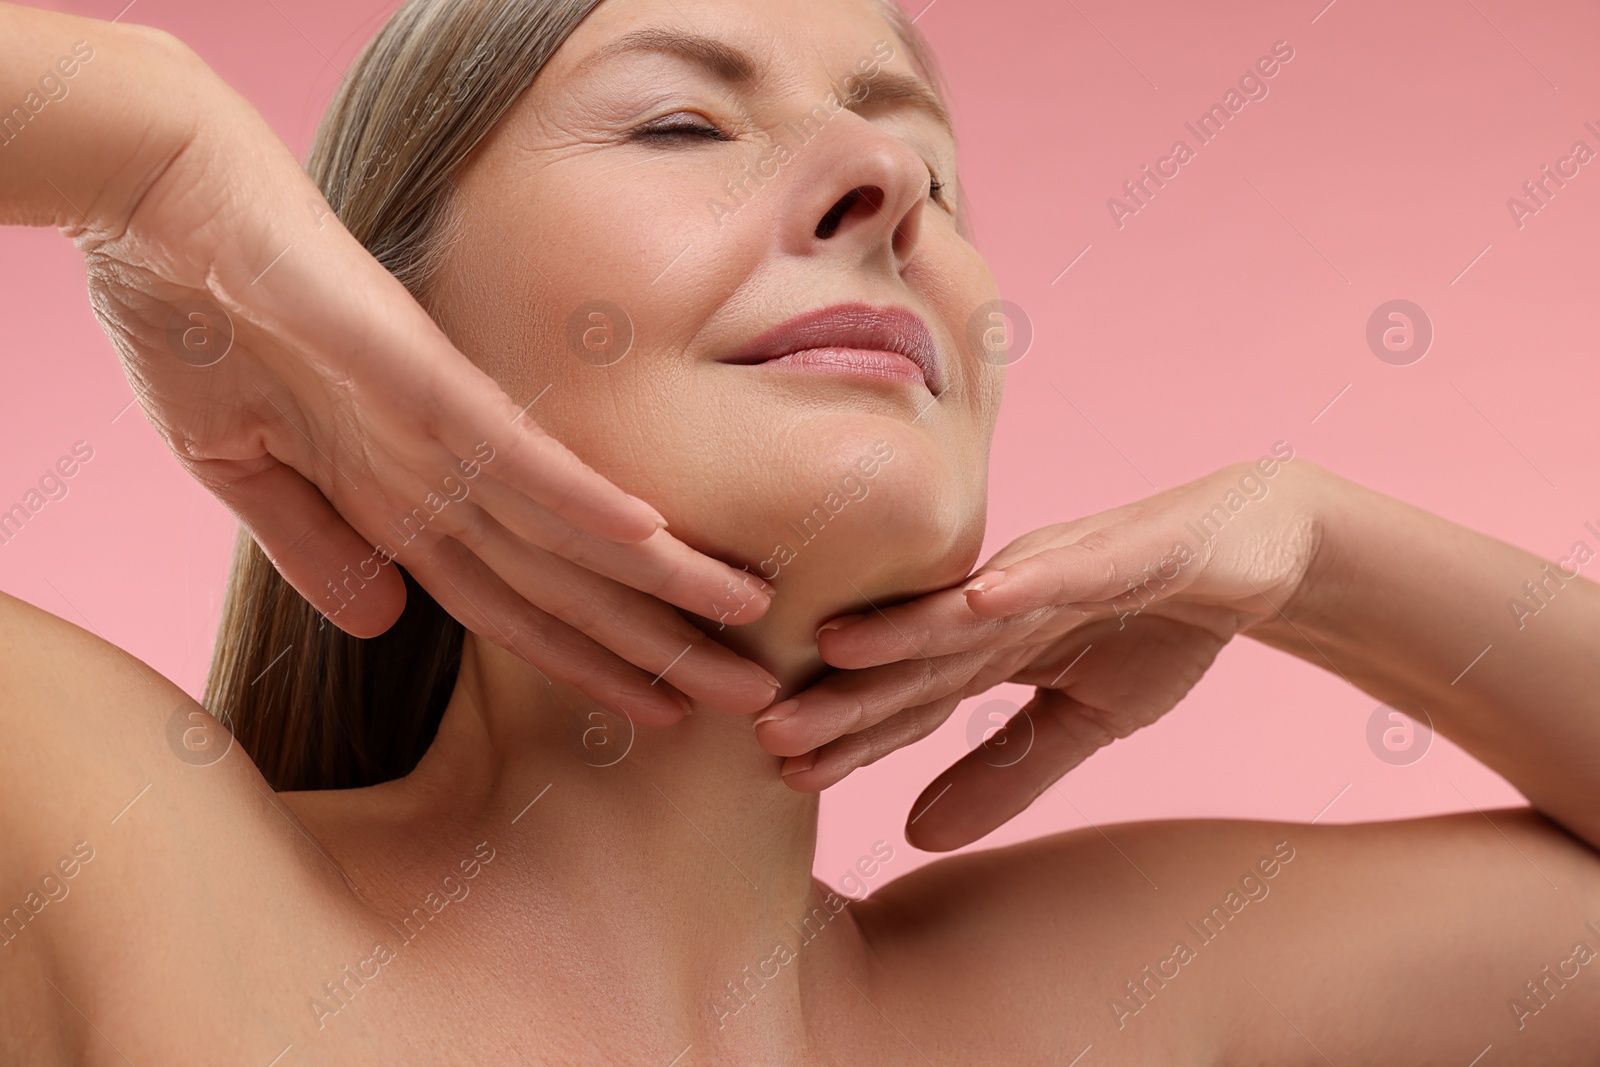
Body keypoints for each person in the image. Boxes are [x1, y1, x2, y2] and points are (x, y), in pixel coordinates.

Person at [2, 0, 1597, 1063]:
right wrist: (139, 149)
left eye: (941, 175)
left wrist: (1322, 554)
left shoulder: (1087, 1004)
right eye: (683, 125)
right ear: (373, 311)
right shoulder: (119, 863)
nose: (889, 182)